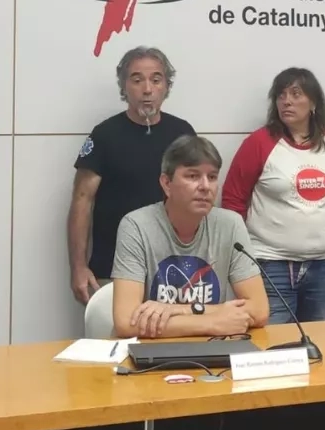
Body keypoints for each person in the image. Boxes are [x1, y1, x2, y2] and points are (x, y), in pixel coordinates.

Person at [221, 67, 325, 325]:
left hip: (323, 267)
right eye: (281, 95)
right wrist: (244, 255)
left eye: (296, 94)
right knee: (272, 342)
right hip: (270, 265)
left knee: (316, 340)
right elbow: (233, 200)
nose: (287, 101)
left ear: (313, 102)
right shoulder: (259, 143)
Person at [67, 46, 195, 307]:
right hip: (113, 270)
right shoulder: (104, 135)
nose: (147, 89)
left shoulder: (183, 134)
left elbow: (198, 197)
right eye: (137, 80)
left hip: (174, 271)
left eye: (156, 80)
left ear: (166, 87)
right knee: (116, 334)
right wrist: (78, 266)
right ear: (124, 87)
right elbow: (82, 201)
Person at [112, 135, 270, 338]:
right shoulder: (136, 225)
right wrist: (212, 322)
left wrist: (181, 310)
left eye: (212, 177)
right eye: (193, 176)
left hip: (211, 346)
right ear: (166, 184)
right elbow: (126, 322)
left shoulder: (230, 224)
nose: (205, 186)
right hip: (153, 348)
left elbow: (259, 310)